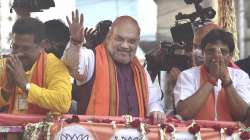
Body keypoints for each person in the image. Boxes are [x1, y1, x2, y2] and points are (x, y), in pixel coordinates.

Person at [62, 10, 165, 123]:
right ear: (109, 37)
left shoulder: (141, 70)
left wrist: (156, 110)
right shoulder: (92, 58)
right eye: (119, 39)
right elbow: (73, 64)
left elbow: (154, 100)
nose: (125, 46)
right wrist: (75, 42)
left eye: (131, 41)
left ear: (137, 42)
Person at [174, 29, 250, 121]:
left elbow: (243, 115)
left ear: (231, 55)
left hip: (232, 134)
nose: (217, 56)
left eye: (223, 52)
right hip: (197, 134)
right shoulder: (187, 75)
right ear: (203, 53)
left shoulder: (241, 76)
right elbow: (184, 113)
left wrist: (227, 82)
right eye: (210, 51)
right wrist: (211, 80)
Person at [0, 17, 72, 114]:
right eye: (15, 47)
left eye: (25, 48)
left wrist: (26, 86)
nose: (19, 53)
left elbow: (63, 102)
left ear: (42, 45)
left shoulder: (53, 65)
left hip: (42, 128)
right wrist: (7, 89)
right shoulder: (5, 65)